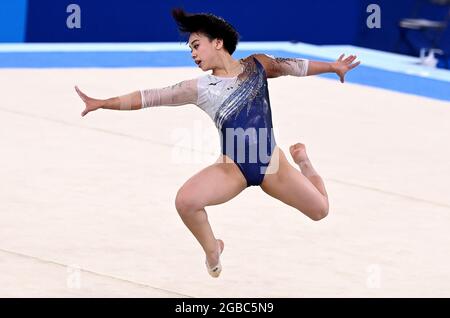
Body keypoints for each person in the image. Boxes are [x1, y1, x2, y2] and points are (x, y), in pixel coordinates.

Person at [75, 8, 360, 278]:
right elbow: (150, 96)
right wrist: (103, 103)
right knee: (186, 202)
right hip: (232, 167)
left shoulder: (257, 65)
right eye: (190, 49)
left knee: (320, 210)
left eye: (196, 45)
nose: (193, 54)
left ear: (218, 42)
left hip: (273, 164)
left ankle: (304, 162)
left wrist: (332, 66)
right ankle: (213, 249)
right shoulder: (198, 88)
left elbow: (293, 66)